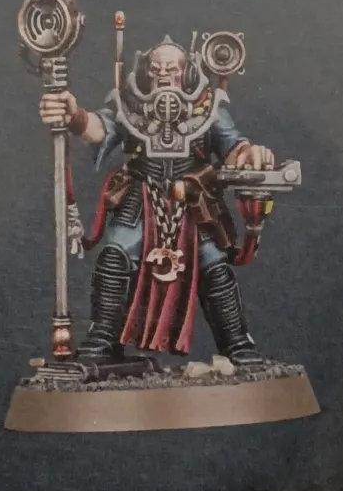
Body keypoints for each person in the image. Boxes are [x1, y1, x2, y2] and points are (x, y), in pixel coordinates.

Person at [40, 37, 274, 366]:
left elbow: (234, 148)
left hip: (193, 203)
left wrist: (251, 154)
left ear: (187, 72)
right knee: (114, 257)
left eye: (172, 69)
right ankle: (102, 338)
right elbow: (99, 127)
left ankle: (237, 343)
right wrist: (73, 115)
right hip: (140, 197)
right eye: (157, 69)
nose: (164, 75)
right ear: (146, 71)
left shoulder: (208, 106)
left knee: (214, 266)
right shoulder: (129, 104)